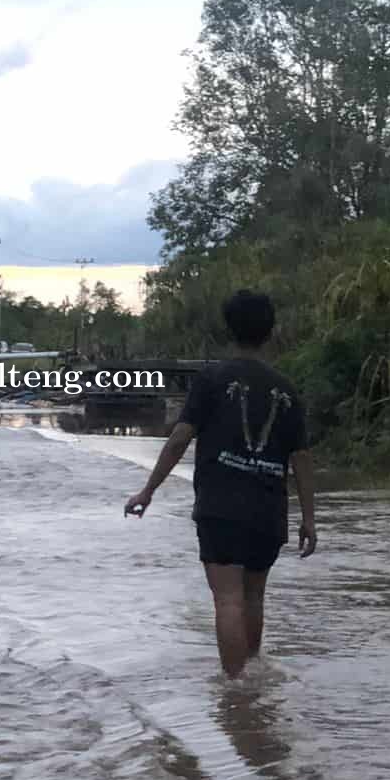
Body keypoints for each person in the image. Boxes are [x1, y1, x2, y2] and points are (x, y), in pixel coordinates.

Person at [124, 289, 317, 679]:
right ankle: (252, 677)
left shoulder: (211, 379)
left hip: (221, 508)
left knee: (228, 599)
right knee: (254, 596)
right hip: (268, 509)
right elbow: (301, 459)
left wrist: (148, 490)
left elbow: (180, 438)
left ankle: (236, 690)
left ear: (229, 329)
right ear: (270, 331)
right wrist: (309, 519)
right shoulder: (287, 390)